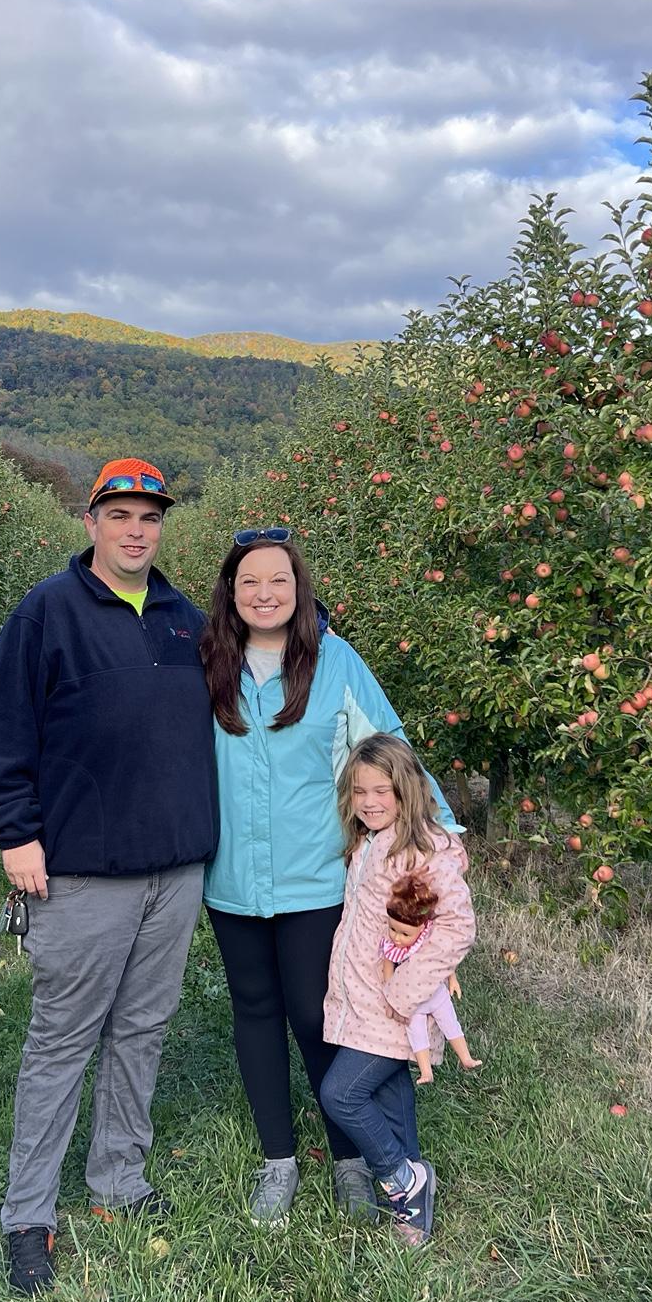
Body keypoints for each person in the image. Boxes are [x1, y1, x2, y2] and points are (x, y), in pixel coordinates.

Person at [0, 457, 217, 1297]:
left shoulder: (183, 619)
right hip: (82, 873)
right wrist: (15, 834)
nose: (136, 530)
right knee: (62, 1040)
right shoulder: (48, 611)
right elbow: (3, 728)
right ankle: (27, 1215)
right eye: (120, 515)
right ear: (92, 522)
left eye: (150, 517)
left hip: (174, 869)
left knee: (142, 1029)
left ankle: (118, 1181)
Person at [198, 528, 459, 1226]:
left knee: (323, 1016)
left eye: (278, 580)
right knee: (255, 1012)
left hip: (315, 877)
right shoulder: (210, 661)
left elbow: (389, 748)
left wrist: (441, 840)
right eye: (249, 581)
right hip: (232, 877)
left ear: (299, 588)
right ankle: (278, 1160)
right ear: (230, 592)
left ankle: (350, 1158)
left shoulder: (334, 660)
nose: (265, 594)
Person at [319, 733, 476, 1245]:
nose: (369, 802)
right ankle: (414, 1206)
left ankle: (401, 1178)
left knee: (341, 1094)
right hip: (363, 1000)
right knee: (388, 1091)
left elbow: (457, 925)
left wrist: (405, 991)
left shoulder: (421, 851)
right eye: (359, 791)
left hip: (392, 1004)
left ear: (406, 790)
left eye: (381, 791)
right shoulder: (368, 842)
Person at [380, 868, 482, 1084]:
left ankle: (466, 1057)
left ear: (422, 927)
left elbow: (443, 960)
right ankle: (426, 1071)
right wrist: (391, 992)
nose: (397, 938)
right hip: (411, 1000)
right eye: (393, 929)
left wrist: (452, 979)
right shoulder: (391, 946)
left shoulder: (426, 938)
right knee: (416, 1034)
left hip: (435, 992)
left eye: (405, 934)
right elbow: (388, 971)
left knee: (450, 1022)